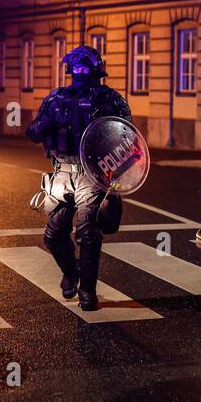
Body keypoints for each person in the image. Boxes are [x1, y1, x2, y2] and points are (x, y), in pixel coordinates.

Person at [26, 45, 131, 311]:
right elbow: (33, 132)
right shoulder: (56, 99)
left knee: (88, 233)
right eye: (75, 68)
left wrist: (115, 178)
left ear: (96, 70)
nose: (80, 73)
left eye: (85, 68)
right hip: (61, 172)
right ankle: (71, 272)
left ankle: (88, 292)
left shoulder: (110, 99)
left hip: (93, 174)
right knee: (53, 234)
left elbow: (129, 139)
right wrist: (46, 122)